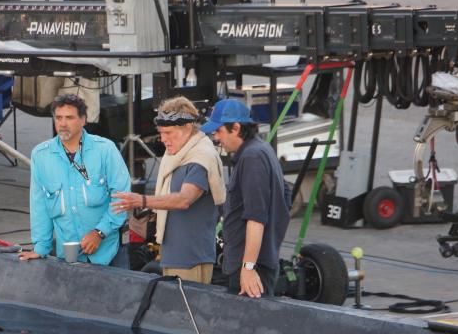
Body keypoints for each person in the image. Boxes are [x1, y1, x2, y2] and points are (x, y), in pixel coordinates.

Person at [112, 96, 225, 283]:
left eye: (169, 133)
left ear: (187, 128)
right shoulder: (177, 153)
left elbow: (184, 200)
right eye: (161, 133)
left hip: (191, 258)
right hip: (174, 254)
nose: (163, 139)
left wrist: (142, 201)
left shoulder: (200, 159)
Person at [19, 94, 130, 265]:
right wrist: (40, 248)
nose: (63, 123)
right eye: (58, 118)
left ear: (83, 120)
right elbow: (39, 205)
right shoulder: (41, 155)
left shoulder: (105, 149)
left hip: (109, 254)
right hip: (69, 257)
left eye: (69, 117)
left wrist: (100, 233)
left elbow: (122, 198)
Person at [201, 99, 290, 298]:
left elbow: (256, 218)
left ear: (236, 128)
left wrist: (248, 267)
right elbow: (285, 198)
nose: (215, 137)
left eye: (218, 131)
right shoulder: (262, 149)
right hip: (260, 261)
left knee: (248, 326)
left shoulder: (252, 158)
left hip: (252, 268)